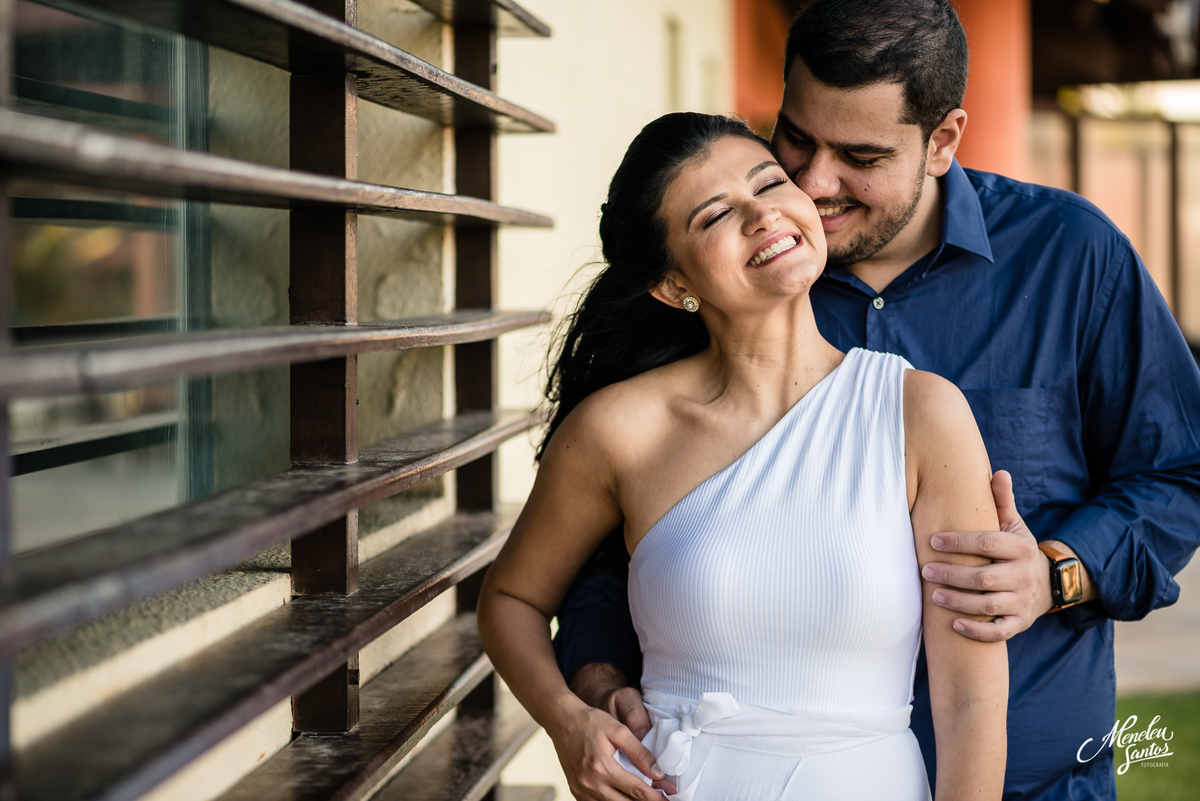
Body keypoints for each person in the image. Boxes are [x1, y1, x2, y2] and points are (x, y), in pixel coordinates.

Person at [552, 2, 1200, 800]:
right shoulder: (743, 276)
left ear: (944, 141)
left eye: (860, 155)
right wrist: (593, 678)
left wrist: (1056, 572)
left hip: (1038, 780)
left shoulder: (1073, 256)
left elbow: (1181, 473)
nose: (815, 183)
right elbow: (617, 530)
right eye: (795, 138)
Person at [477, 112, 1007, 801]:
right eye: (715, 215)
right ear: (672, 285)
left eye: (771, 182)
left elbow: (971, 701)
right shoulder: (619, 429)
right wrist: (567, 720)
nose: (762, 215)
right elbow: (510, 599)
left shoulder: (922, 413)